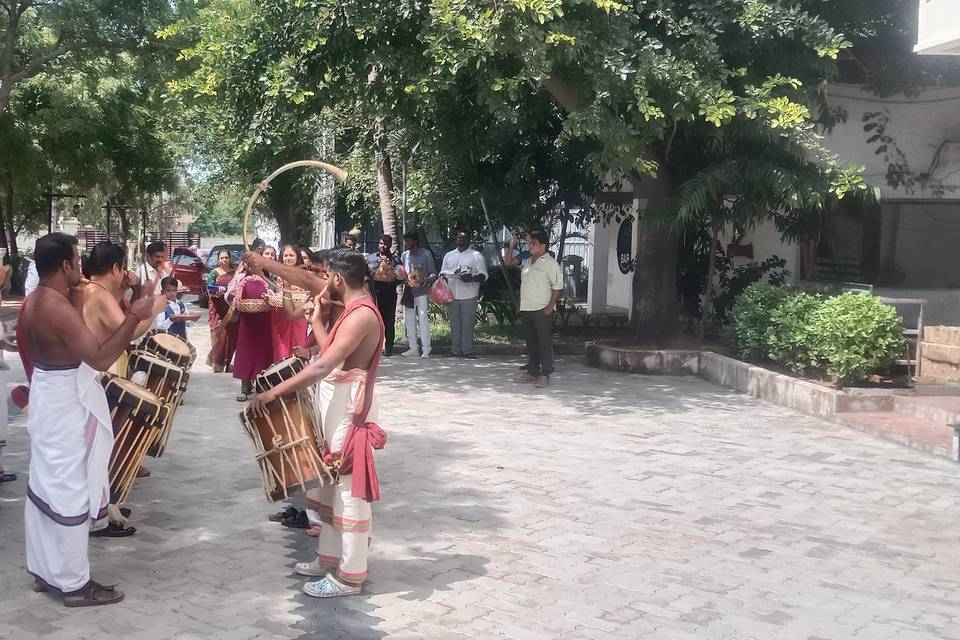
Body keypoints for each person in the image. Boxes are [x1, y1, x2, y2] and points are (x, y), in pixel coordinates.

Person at [21, 232, 158, 606]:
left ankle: (47, 573)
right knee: (68, 490)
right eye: (77, 263)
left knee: (47, 485)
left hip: (52, 394)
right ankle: (74, 584)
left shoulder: (38, 298)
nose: (81, 270)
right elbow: (98, 358)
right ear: (65, 265)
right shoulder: (55, 307)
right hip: (65, 400)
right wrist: (134, 316)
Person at [247, 249, 385, 598]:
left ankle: (350, 576)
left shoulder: (361, 314)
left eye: (326, 277)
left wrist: (272, 393)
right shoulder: (350, 307)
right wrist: (319, 322)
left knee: (349, 494)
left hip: (350, 412)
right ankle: (330, 560)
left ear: (337, 279)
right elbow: (329, 353)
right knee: (330, 486)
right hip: (337, 407)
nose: (321, 282)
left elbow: (323, 367)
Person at [71, 242, 166, 536]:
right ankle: (96, 515)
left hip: (85, 374)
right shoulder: (97, 294)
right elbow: (131, 330)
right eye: (123, 268)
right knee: (96, 451)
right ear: (115, 268)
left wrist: (137, 294)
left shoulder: (86, 290)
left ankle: (101, 507)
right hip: (89, 376)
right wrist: (156, 306)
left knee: (95, 450)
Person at [503, 229, 563, 388]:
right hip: (527, 309)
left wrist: (550, 307)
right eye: (529, 243)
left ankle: (545, 374)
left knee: (544, 343)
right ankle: (533, 372)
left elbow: (557, 288)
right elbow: (508, 262)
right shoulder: (527, 261)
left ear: (543, 246)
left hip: (542, 310)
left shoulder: (550, 264)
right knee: (531, 343)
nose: (530, 245)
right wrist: (511, 245)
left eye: (533, 243)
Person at [232, 239, 273, 401]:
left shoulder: (269, 280)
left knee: (262, 352)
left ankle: (260, 384)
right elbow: (232, 297)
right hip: (247, 323)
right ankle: (244, 386)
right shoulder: (241, 280)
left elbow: (274, 296)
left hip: (264, 321)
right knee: (245, 351)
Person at [440, 230, 489, 359]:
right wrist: (445, 277)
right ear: (456, 239)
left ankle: (467, 350)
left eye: (464, 238)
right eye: (459, 238)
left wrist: (471, 278)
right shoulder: (449, 255)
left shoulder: (476, 255)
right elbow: (442, 273)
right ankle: (455, 350)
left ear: (469, 240)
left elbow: (483, 275)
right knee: (454, 325)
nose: (461, 240)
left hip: (469, 295)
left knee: (467, 324)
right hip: (452, 295)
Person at [400, 231, 437, 358]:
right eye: (405, 241)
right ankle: (413, 348)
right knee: (409, 320)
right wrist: (402, 278)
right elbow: (402, 273)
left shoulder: (426, 254)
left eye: (409, 241)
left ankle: (426, 349)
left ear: (415, 241)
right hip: (409, 291)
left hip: (422, 291)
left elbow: (433, 273)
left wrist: (428, 280)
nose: (406, 243)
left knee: (423, 319)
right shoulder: (404, 255)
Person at [271, 244, 310, 361]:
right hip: (280, 314)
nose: (288, 258)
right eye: (285, 255)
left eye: (291, 255)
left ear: (297, 257)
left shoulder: (304, 274)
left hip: (299, 313)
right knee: (280, 344)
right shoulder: (276, 274)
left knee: (298, 342)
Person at [367, 235, 402, 357]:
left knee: (389, 321)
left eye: (386, 244)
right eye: (381, 243)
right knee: (375, 321)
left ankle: (389, 348)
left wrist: (392, 280)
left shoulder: (396, 259)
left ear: (390, 245)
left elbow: (401, 277)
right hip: (375, 293)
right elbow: (366, 275)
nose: (383, 246)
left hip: (390, 293)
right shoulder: (371, 258)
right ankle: (374, 348)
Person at [206, 249, 238, 373]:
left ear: (230, 259)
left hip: (231, 307)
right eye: (221, 258)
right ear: (218, 260)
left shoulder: (235, 273)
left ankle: (228, 362)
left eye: (226, 257)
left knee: (231, 335)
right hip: (217, 307)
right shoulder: (214, 272)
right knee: (218, 334)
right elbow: (209, 288)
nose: (224, 260)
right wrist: (217, 293)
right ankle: (217, 364)